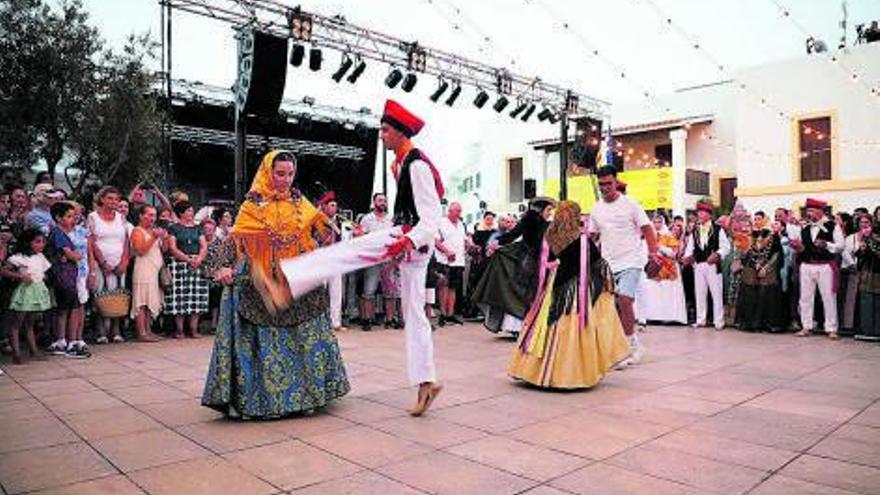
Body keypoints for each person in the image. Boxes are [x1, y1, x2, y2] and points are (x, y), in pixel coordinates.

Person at [280, 100, 444, 416]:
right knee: (414, 316)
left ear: (400, 132)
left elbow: (431, 218)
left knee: (348, 251)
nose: (381, 136)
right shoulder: (401, 164)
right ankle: (426, 382)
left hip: (409, 238)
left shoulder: (417, 165)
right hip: (409, 240)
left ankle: (290, 278)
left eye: (385, 130)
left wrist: (407, 241)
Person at [202, 150, 349, 419]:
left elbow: (320, 230)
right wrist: (222, 267)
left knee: (304, 336)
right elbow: (235, 239)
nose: (285, 179)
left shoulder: (299, 202)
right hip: (261, 279)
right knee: (264, 339)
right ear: (269, 172)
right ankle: (264, 402)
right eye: (280, 174)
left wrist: (330, 232)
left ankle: (307, 398)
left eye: (290, 174)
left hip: (296, 276)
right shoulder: (252, 205)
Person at [508, 201, 630, 388]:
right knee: (574, 327)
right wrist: (607, 282)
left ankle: (537, 372)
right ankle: (571, 374)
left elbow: (543, 261)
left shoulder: (549, 236)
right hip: (577, 290)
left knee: (546, 325)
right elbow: (597, 263)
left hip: (552, 287)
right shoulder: (582, 239)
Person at [588, 166, 660, 367]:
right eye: (601, 184)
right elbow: (592, 237)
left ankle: (631, 346)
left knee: (625, 298)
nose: (604, 188)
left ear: (616, 182)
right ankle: (622, 347)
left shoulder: (630, 204)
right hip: (607, 263)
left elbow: (647, 228)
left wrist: (653, 253)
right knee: (611, 307)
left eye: (608, 183)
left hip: (631, 261)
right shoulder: (596, 209)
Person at [472, 197, 554, 336]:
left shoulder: (537, 222)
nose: (550, 213)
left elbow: (512, 235)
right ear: (541, 209)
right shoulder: (534, 222)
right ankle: (523, 325)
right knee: (526, 292)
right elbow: (511, 235)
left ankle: (525, 325)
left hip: (534, 259)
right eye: (548, 210)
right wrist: (497, 242)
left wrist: (497, 242)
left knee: (525, 292)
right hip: (530, 260)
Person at [793, 198, 845, 339]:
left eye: (811, 210)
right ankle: (806, 326)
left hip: (824, 265)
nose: (809, 214)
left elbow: (840, 246)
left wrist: (826, 244)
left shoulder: (832, 226)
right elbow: (803, 247)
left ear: (820, 211)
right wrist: (798, 247)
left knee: (828, 297)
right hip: (806, 265)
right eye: (808, 211)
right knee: (805, 298)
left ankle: (831, 328)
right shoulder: (805, 228)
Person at [45, 202, 90, 357]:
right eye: (69, 216)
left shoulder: (60, 232)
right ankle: (72, 343)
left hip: (67, 275)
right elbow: (72, 254)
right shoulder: (58, 233)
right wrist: (74, 255)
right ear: (58, 218)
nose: (73, 219)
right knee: (73, 308)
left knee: (64, 308)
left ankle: (61, 341)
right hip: (64, 277)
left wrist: (70, 256)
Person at [2, 229, 51, 364]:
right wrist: (20, 276)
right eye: (37, 242)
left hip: (36, 290)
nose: (41, 245)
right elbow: (4, 271)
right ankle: (16, 353)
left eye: (43, 242)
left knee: (30, 323)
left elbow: (44, 272)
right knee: (17, 323)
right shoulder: (17, 258)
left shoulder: (40, 257)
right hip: (25, 292)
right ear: (27, 242)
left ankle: (33, 350)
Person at [88, 186, 130, 344]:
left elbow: (126, 240)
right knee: (101, 294)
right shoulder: (93, 217)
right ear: (102, 199)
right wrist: (103, 262)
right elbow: (91, 241)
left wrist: (124, 261)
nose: (114, 202)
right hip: (101, 264)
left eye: (116, 199)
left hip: (119, 262)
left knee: (118, 295)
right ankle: (100, 331)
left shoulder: (121, 217)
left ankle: (116, 330)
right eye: (110, 198)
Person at [164, 201, 209, 338]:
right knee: (180, 297)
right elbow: (172, 247)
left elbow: (203, 245)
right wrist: (188, 259)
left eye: (192, 210)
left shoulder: (198, 228)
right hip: (179, 264)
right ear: (181, 213)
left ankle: (194, 329)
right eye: (188, 210)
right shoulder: (174, 228)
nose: (191, 213)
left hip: (197, 263)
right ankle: (179, 330)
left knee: (197, 297)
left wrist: (199, 259)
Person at [684, 200, 730, 331]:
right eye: (699, 212)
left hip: (713, 265)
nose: (700, 215)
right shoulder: (695, 230)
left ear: (709, 215)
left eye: (703, 212)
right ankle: (700, 319)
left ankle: (719, 321)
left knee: (716, 293)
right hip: (698, 265)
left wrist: (717, 255)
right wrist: (688, 257)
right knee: (699, 293)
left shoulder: (718, 229)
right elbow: (690, 247)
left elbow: (726, 247)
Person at [637, 215, 687, 325]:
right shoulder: (648, 236)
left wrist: (659, 247)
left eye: (659, 222)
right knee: (652, 292)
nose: (657, 224)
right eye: (654, 222)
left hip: (668, 268)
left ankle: (668, 317)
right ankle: (651, 316)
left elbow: (673, 253)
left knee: (667, 293)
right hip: (652, 268)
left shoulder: (669, 236)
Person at [359, 193, 399, 329]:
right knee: (369, 290)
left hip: (388, 259)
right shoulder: (367, 219)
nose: (383, 203)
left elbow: (396, 237)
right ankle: (367, 319)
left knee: (390, 291)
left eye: (384, 201)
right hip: (373, 259)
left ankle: (389, 319)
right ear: (374, 202)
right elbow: (360, 237)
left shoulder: (391, 220)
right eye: (380, 200)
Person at [736, 222, 784, 332]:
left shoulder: (774, 240)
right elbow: (747, 257)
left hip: (769, 273)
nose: (760, 239)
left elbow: (776, 256)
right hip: (753, 274)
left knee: (767, 295)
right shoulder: (750, 240)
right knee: (750, 294)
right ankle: (751, 324)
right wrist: (755, 265)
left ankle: (770, 324)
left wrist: (765, 268)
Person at [130, 205, 165, 342]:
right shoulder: (137, 231)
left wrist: (164, 238)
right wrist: (153, 237)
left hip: (154, 270)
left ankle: (149, 331)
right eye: (149, 215)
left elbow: (164, 249)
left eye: (154, 215)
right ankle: (141, 332)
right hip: (143, 269)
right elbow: (140, 250)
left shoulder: (154, 231)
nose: (152, 218)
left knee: (151, 300)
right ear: (141, 215)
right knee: (142, 301)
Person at [316, 192, 347, 332]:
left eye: (335, 205)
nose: (334, 208)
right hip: (320, 259)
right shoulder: (316, 220)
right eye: (331, 205)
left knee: (336, 291)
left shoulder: (341, 221)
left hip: (336, 259)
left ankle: (336, 322)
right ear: (324, 206)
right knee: (320, 291)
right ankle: (319, 322)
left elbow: (346, 237)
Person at [435, 201, 466, 326]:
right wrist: (447, 252)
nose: (459, 213)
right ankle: (442, 313)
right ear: (450, 211)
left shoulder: (461, 224)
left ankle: (450, 313)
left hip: (458, 260)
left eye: (460, 211)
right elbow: (435, 241)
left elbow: (464, 239)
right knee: (444, 286)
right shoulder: (441, 223)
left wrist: (471, 245)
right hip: (444, 260)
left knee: (453, 287)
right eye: (457, 211)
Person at [854, 216, 880, 340]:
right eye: (862, 223)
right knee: (866, 300)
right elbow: (858, 254)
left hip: (876, 272)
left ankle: (876, 331)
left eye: (867, 223)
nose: (864, 225)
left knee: (877, 301)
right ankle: (867, 330)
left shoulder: (875, 237)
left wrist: (870, 245)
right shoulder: (864, 237)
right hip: (867, 272)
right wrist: (863, 248)